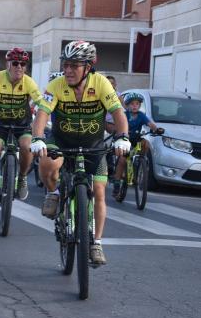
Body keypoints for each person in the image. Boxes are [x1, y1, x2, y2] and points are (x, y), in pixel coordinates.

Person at [31, 41, 130, 266]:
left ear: (88, 66)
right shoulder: (56, 85)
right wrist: (37, 138)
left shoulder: (102, 83)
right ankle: (54, 192)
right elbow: (42, 115)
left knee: (99, 191)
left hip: (92, 144)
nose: (68, 70)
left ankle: (96, 243)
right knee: (46, 161)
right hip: (61, 141)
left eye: (74, 65)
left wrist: (123, 137)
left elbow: (118, 113)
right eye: (66, 65)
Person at [0, 47, 42, 207]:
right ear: (8, 64)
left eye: (23, 64)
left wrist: (45, 118)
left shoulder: (29, 82)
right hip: (0, 124)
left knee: (26, 146)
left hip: (22, 124)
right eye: (16, 63)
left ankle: (23, 177)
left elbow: (42, 104)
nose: (19, 67)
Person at [112, 92, 164, 196]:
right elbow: (118, 124)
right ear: (127, 105)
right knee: (122, 160)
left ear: (140, 105)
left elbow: (150, 124)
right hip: (125, 140)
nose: (135, 106)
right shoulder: (125, 115)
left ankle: (141, 162)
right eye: (132, 104)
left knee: (146, 143)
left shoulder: (141, 116)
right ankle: (117, 183)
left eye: (137, 104)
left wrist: (156, 129)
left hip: (136, 140)